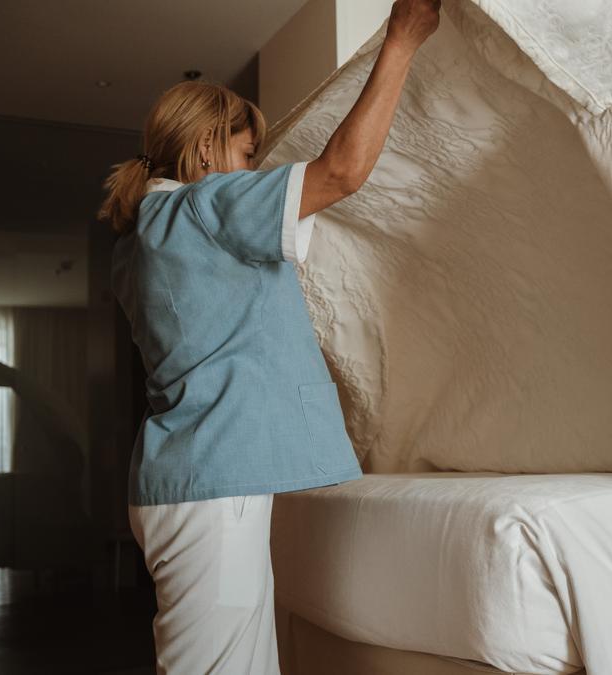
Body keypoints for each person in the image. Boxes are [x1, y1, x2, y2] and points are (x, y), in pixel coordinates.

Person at [98, 1, 440, 671]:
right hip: (211, 494)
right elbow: (341, 171)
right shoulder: (207, 206)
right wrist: (400, 41)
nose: (252, 171)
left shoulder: (142, 237)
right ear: (206, 149)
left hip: (190, 482)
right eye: (247, 155)